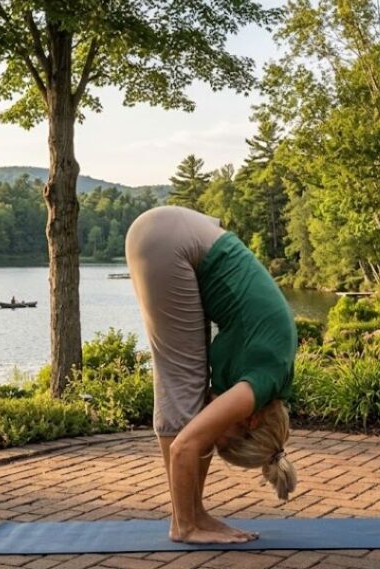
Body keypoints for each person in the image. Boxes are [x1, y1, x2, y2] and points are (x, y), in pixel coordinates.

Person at [125, 205, 298, 544]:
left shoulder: (272, 378)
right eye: (221, 438)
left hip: (177, 233)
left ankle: (193, 514)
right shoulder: (256, 387)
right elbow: (185, 445)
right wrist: (203, 436)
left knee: (191, 389)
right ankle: (184, 524)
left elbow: (198, 426)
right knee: (182, 383)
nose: (211, 433)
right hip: (168, 242)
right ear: (249, 421)